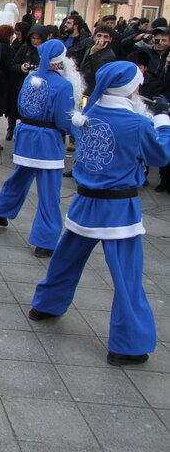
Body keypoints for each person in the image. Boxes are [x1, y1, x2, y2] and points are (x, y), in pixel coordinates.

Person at [29, 62, 170, 366]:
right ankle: (128, 345)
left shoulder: (88, 114)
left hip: (85, 202)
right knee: (127, 276)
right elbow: (160, 156)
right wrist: (163, 121)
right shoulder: (137, 123)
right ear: (131, 88)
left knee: (66, 260)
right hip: (119, 210)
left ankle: (45, 305)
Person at [0, 39, 78, 257]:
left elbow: (20, 105)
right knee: (49, 192)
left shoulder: (30, 78)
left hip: (26, 136)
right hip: (47, 141)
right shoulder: (63, 85)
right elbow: (64, 119)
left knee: (20, 176)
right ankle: (45, 241)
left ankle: (0, 210)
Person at [6, 24, 46, 140]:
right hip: (21, 84)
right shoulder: (25, 48)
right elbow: (13, 65)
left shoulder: (45, 51)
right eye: (33, 38)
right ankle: (11, 128)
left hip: (39, 86)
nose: (36, 41)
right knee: (15, 108)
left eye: (38, 39)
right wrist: (21, 67)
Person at [79, 24, 117, 96]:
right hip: (83, 87)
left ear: (110, 39)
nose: (101, 39)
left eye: (105, 37)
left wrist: (93, 54)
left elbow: (98, 73)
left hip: (93, 92)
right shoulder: (91, 48)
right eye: (99, 36)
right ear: (94, 37)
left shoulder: (109, 56)